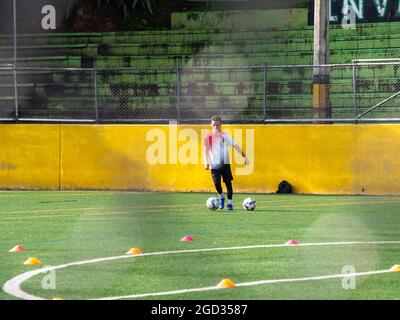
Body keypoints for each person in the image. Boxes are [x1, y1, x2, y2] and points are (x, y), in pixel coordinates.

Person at [204, 115, 249, 211]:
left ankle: (229, 202)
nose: (215, 127)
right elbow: (206, 150)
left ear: (221, 125)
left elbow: (235, 146)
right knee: (217, 184)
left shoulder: (225, 135)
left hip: (225, 163)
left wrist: (244, 157)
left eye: (217, 125)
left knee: (228, 183)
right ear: (211, 125)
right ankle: (221, 197)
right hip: (214, 164)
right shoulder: (208, 137)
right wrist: (206, 162)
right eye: (214, 125)